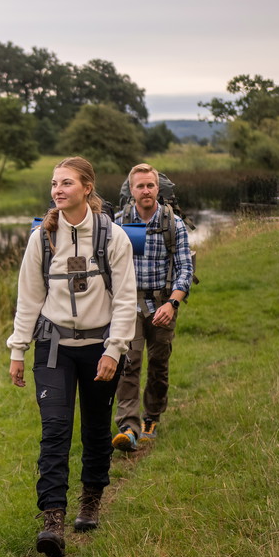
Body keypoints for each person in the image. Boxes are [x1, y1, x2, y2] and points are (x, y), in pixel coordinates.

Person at [7, 157, 137, 557]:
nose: (57, 190)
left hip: (100, 347)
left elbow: (127, 299)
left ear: (87, 187)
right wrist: (17, 349)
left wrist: (115, 349)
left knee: (97, 429)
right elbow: (29, 298)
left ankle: (91, 501)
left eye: (66, 183)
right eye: (53, 183)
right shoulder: (42, 239)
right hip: (53, 347)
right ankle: (52, 520)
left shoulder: (113, 237)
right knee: (56, 431)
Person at [111, 163, 194, 452]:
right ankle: (128, 427)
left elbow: (185, 268)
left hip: (163, 303)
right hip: (128, 304)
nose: (145, 191)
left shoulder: (174, 224)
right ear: (131, 190)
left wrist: (173, 303)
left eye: (150, 185)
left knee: (159, 365)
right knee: (127, 363)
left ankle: (152, 416)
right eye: (140, 186)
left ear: (157, 188)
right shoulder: (118, 223)